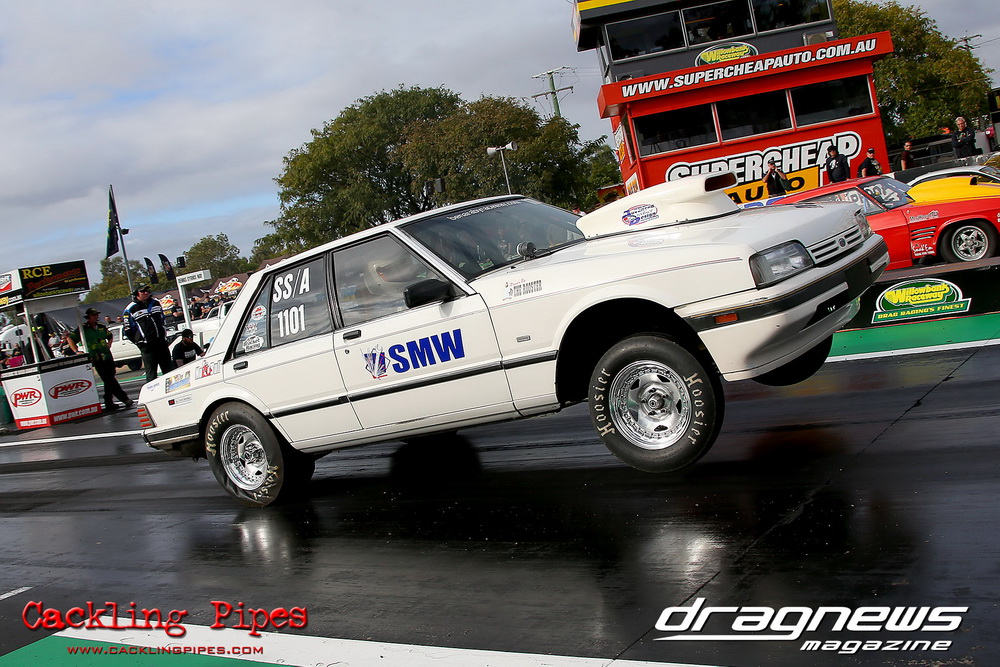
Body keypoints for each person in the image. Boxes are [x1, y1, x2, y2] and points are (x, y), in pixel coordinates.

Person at [65, 308, 133, 410]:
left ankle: (108, 402)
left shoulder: (101, 327)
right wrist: (76, 351)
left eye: (97, 314)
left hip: (107, 355)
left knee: (109, 378)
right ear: (88, 317)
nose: (96, 316)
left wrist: (109, 344)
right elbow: (70, 339)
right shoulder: (83, 329)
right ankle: (124, 398)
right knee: (108, 379)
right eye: (94, 315)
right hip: (96, 357)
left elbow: (110, 336)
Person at [124, 285, 174, 382]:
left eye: (147, 290)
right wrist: (139, 343)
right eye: (143, 291)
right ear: (136, 294)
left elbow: (162, 320)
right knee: (151, 374)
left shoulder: (155, 303)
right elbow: (127, 330)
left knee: (169, 370)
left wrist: (163, 336)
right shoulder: (131, 308)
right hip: (147, 346)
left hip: (161, 343)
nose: (146, 293)